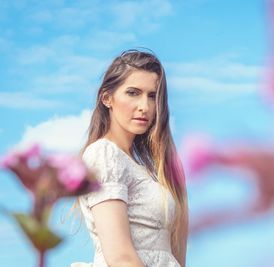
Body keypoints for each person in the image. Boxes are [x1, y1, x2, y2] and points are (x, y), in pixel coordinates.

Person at [70, 49, 188, 267]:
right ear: (107, 98)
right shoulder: (105, 154)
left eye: (152, 96)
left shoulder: (149, 169)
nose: (145, 106)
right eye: (133, 93)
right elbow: (120, 257)